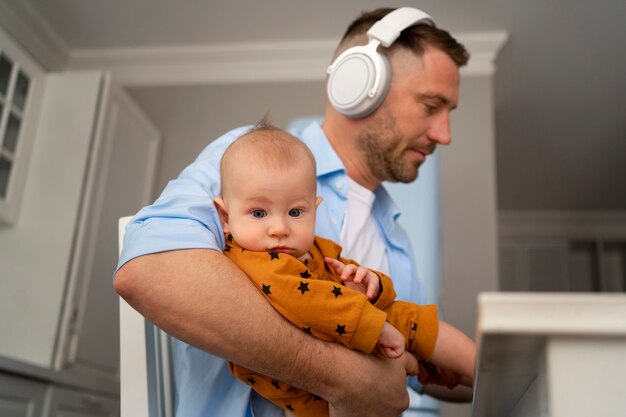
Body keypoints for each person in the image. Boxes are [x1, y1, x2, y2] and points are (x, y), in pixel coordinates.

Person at [115, 6, 471, 417]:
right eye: (431, 105)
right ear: (359, 87)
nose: (444, 134)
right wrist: (344, 376)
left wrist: (505, 371)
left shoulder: (397, 242)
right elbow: (148, 270)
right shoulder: (251, 162)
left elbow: (412, 368)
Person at [215, 124, 476, 417]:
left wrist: (371, 282)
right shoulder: (252, 260)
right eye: (259, 213)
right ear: (225, 216)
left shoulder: (314, 248)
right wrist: (377, 328)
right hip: (314, 389)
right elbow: (306, 302)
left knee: (412, 317)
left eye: (295, 212)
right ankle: (475, 370)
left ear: (315, 209)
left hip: (347, 339)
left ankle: (480, 369)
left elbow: (353, 278)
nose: (279, 229)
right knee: (400, 326)